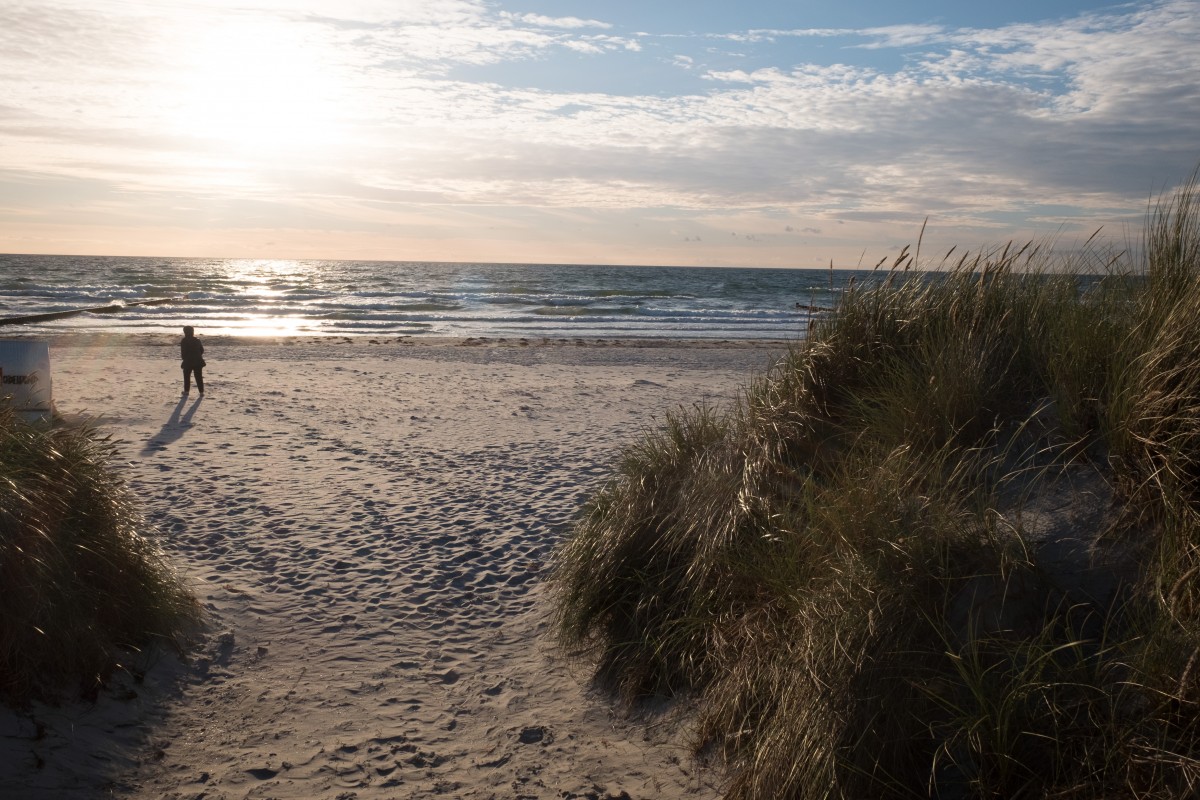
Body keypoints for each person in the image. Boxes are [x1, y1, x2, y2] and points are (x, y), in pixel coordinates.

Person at [180, 325, 206, 395]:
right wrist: (198, 355)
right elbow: (202, 350)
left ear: (185, 332)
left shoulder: (184, 340)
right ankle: (201, 392)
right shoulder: (197, 340)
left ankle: (186, 391)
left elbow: (183, 352)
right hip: (198, 360)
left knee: (186, 376)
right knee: (199, 377)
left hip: (188, 360)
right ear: (192, 332)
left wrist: (184, 359)